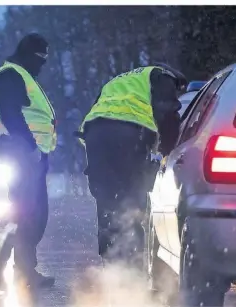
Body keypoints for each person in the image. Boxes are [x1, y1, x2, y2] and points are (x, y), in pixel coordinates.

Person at [77, 63, 186, 266]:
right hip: (128, 134)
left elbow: (99, 108)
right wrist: (167, 152)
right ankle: (132, 260)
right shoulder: (163, 77)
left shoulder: (119, 81)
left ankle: (111, 261)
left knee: (107, 197)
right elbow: (168, 115)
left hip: (95, 135)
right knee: (132, 196)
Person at [0, 33, 57, 291]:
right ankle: (4, 268)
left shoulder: (24, 75)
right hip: (21, 151)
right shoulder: (10, 74)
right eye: (40, 58)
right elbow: (11, 115)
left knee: (32, 215)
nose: (43, 64)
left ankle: (22, 271)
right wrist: (32, 147)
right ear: (28, 54)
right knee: (24, 213)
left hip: (30, 153)